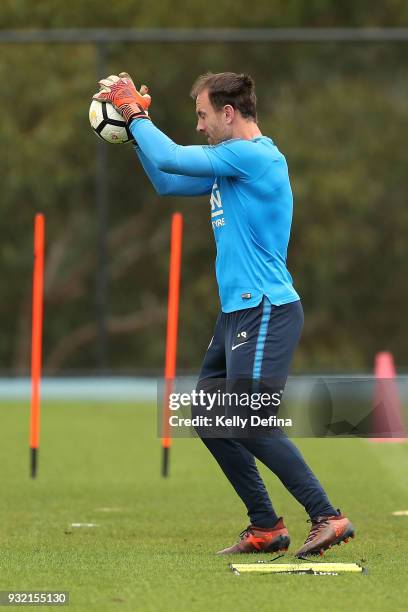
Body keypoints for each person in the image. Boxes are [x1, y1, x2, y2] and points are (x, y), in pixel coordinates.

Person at [93, 71, 355, 557]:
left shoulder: (253, 156)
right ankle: (265, 527)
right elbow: (167, 180)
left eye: (202, 115)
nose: (198, 126)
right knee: (211, 416)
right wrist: (133, 133)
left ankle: (328, 516)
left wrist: (136, 113)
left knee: (249, 420)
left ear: (228, 113)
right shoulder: (231, 165)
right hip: (237, 315)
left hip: (266, 310)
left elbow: (171, 154)